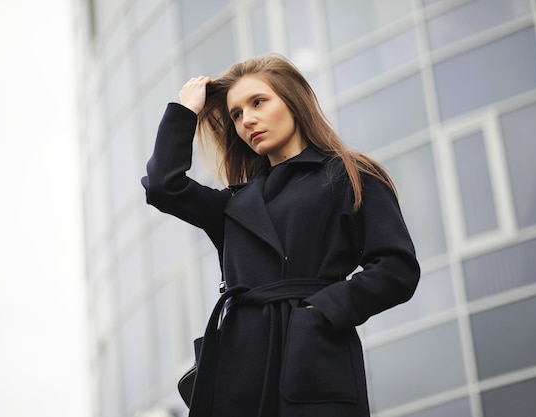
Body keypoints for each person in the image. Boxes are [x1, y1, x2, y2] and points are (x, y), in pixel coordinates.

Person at [141, 54, 420, 417]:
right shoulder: (232, 206)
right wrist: (184, 111)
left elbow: (396, 269)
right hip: (239, 365)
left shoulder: (350, 174)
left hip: (312, 356)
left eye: (258, 102)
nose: (247, 120)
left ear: (293, 100)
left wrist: (320, 310)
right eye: (237, 114)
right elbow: (163, 186)